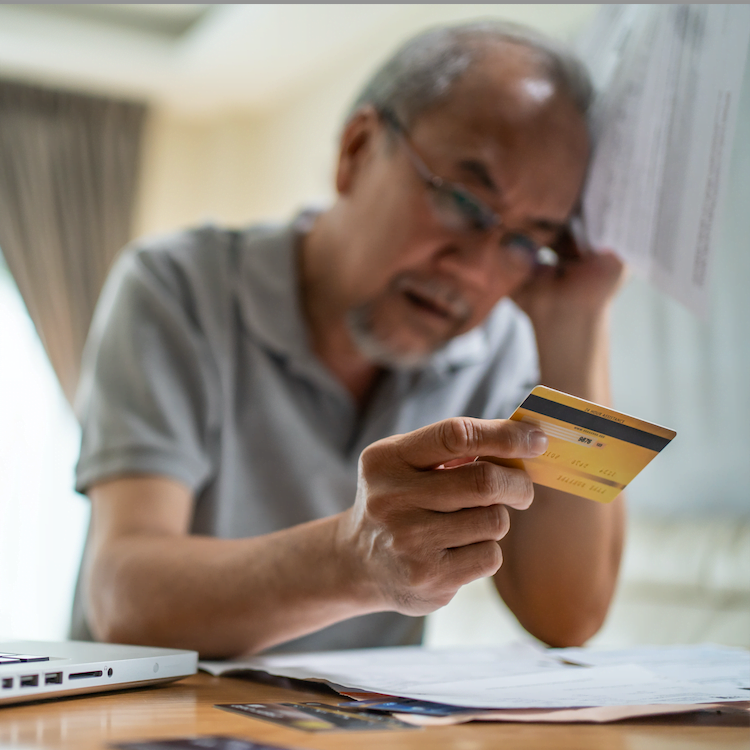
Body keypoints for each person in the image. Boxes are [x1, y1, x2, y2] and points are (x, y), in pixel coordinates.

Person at [71, 21, 626, 659]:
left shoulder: (496, 345)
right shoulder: (175, 287)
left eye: (526, 241)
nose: (475, 271)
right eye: (466, 204)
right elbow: (122, 597)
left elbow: (570, 616)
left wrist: (577, 323)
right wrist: (354, 558)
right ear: (357, 150)